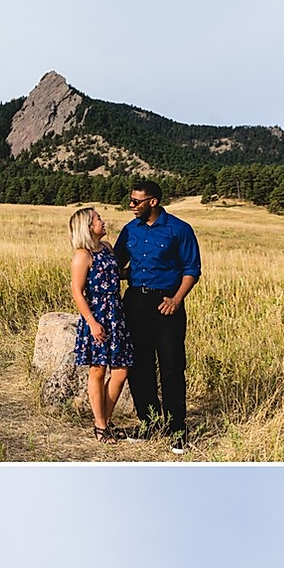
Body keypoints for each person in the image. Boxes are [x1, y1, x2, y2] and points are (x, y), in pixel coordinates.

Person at [114, 181, 201, 449]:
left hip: (167, 303)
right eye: (130, 200)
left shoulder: (179, 229)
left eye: (136, 201)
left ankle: (177, 429)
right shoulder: (129, 231)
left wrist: (176, 299)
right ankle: (149, 424)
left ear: (153, 202)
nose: (131, 206)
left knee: (172, 366)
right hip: (135, 302)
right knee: (139, 366)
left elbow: (192, 269)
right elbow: (116, 264)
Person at [68, 206, 133, 441]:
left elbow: (116, 274)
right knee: (98, 370)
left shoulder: (106, 248)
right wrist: (92, 322)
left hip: (116, 314)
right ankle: (101, 426)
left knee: (121, 371)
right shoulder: (82, 255)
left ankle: (103, 421)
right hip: (96, 315)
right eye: (98, 219)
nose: (103, 222)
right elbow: (77, 291)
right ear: (88, 226)